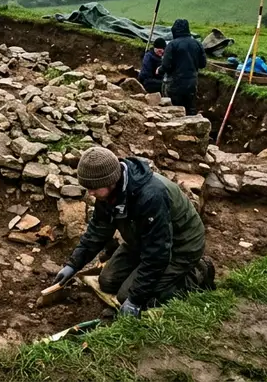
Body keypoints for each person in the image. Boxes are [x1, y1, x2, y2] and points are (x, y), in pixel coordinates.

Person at [51, 147, 213, 318]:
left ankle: (199, 272)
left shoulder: (151, 196)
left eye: (94, 187)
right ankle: (141, 279)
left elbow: (158, 253)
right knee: (107, 281)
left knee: (129, 296)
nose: (90, 192)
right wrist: (73, 265)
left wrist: (135, 299)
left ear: (111, 179)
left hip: (181, 246)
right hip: (142, 240)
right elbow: (97, 231)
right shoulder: (106, 194)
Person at [160, 19, 206, 116]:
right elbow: (203, 64)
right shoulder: (197, 44)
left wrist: (159, 70)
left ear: (174, 31)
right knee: (190, 108)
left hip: (174, 84)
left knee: (173, 110)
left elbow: (166, 66)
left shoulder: (172, 45)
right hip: (192, 83)